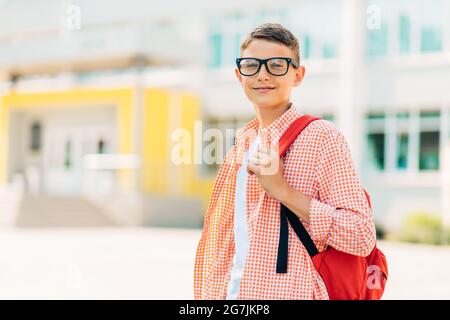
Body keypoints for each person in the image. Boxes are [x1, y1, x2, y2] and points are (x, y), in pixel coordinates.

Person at [194, 22, 376, 300]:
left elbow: (361, 236)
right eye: (252, 65)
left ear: (298, 75)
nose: (263, 75)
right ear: (238, 74)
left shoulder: (322, 138)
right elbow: (227, 242)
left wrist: (283, 191)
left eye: (277, 65)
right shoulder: (240, 146)